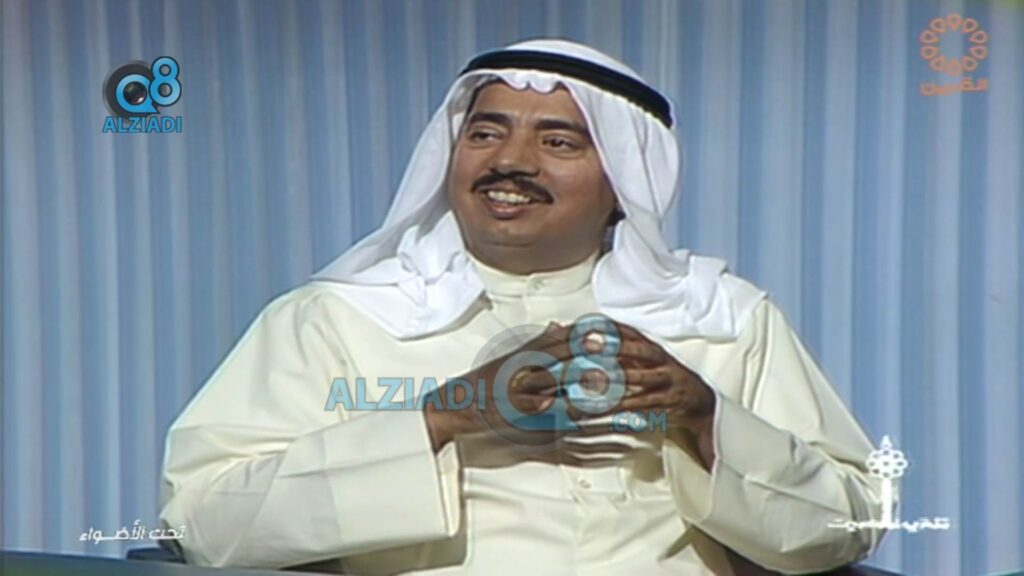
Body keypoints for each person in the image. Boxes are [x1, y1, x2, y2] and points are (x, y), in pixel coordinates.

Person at [159, 39, 884, 575]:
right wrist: (442, 418)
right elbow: (204, 524)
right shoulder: (335, 318)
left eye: (558, 141)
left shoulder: (721, 317)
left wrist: (706, 419)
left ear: (625, 184)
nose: (510, 161)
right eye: (485, 133)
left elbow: (848, 522)